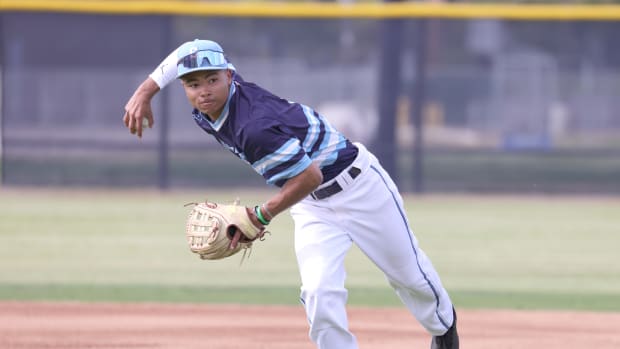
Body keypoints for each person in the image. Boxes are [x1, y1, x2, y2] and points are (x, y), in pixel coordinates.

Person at [123, 39, 459, 349]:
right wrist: (145, 92)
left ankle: (444, 330)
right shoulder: (211, 105)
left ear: (229, 76)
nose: (204, 91)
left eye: (212, 80)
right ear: (183, 87)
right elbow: (184, 54)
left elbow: (309, 175)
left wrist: (260, 215)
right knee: (318, 292)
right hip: (312, 206)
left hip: (359, 188)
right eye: (193, 84)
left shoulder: (254, 126)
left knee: (409, 277)